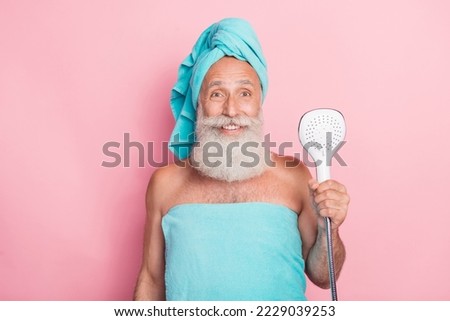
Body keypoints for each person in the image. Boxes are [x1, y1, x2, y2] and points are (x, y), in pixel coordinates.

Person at [134, 17, 350, 301]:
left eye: (245, 93)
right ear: (199, 104)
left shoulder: (295, 176)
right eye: (216, 93)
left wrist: (329, 229)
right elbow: (151, 281)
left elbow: (324, 277)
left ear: (260, 101)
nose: (232, 110)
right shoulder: (165, 184)